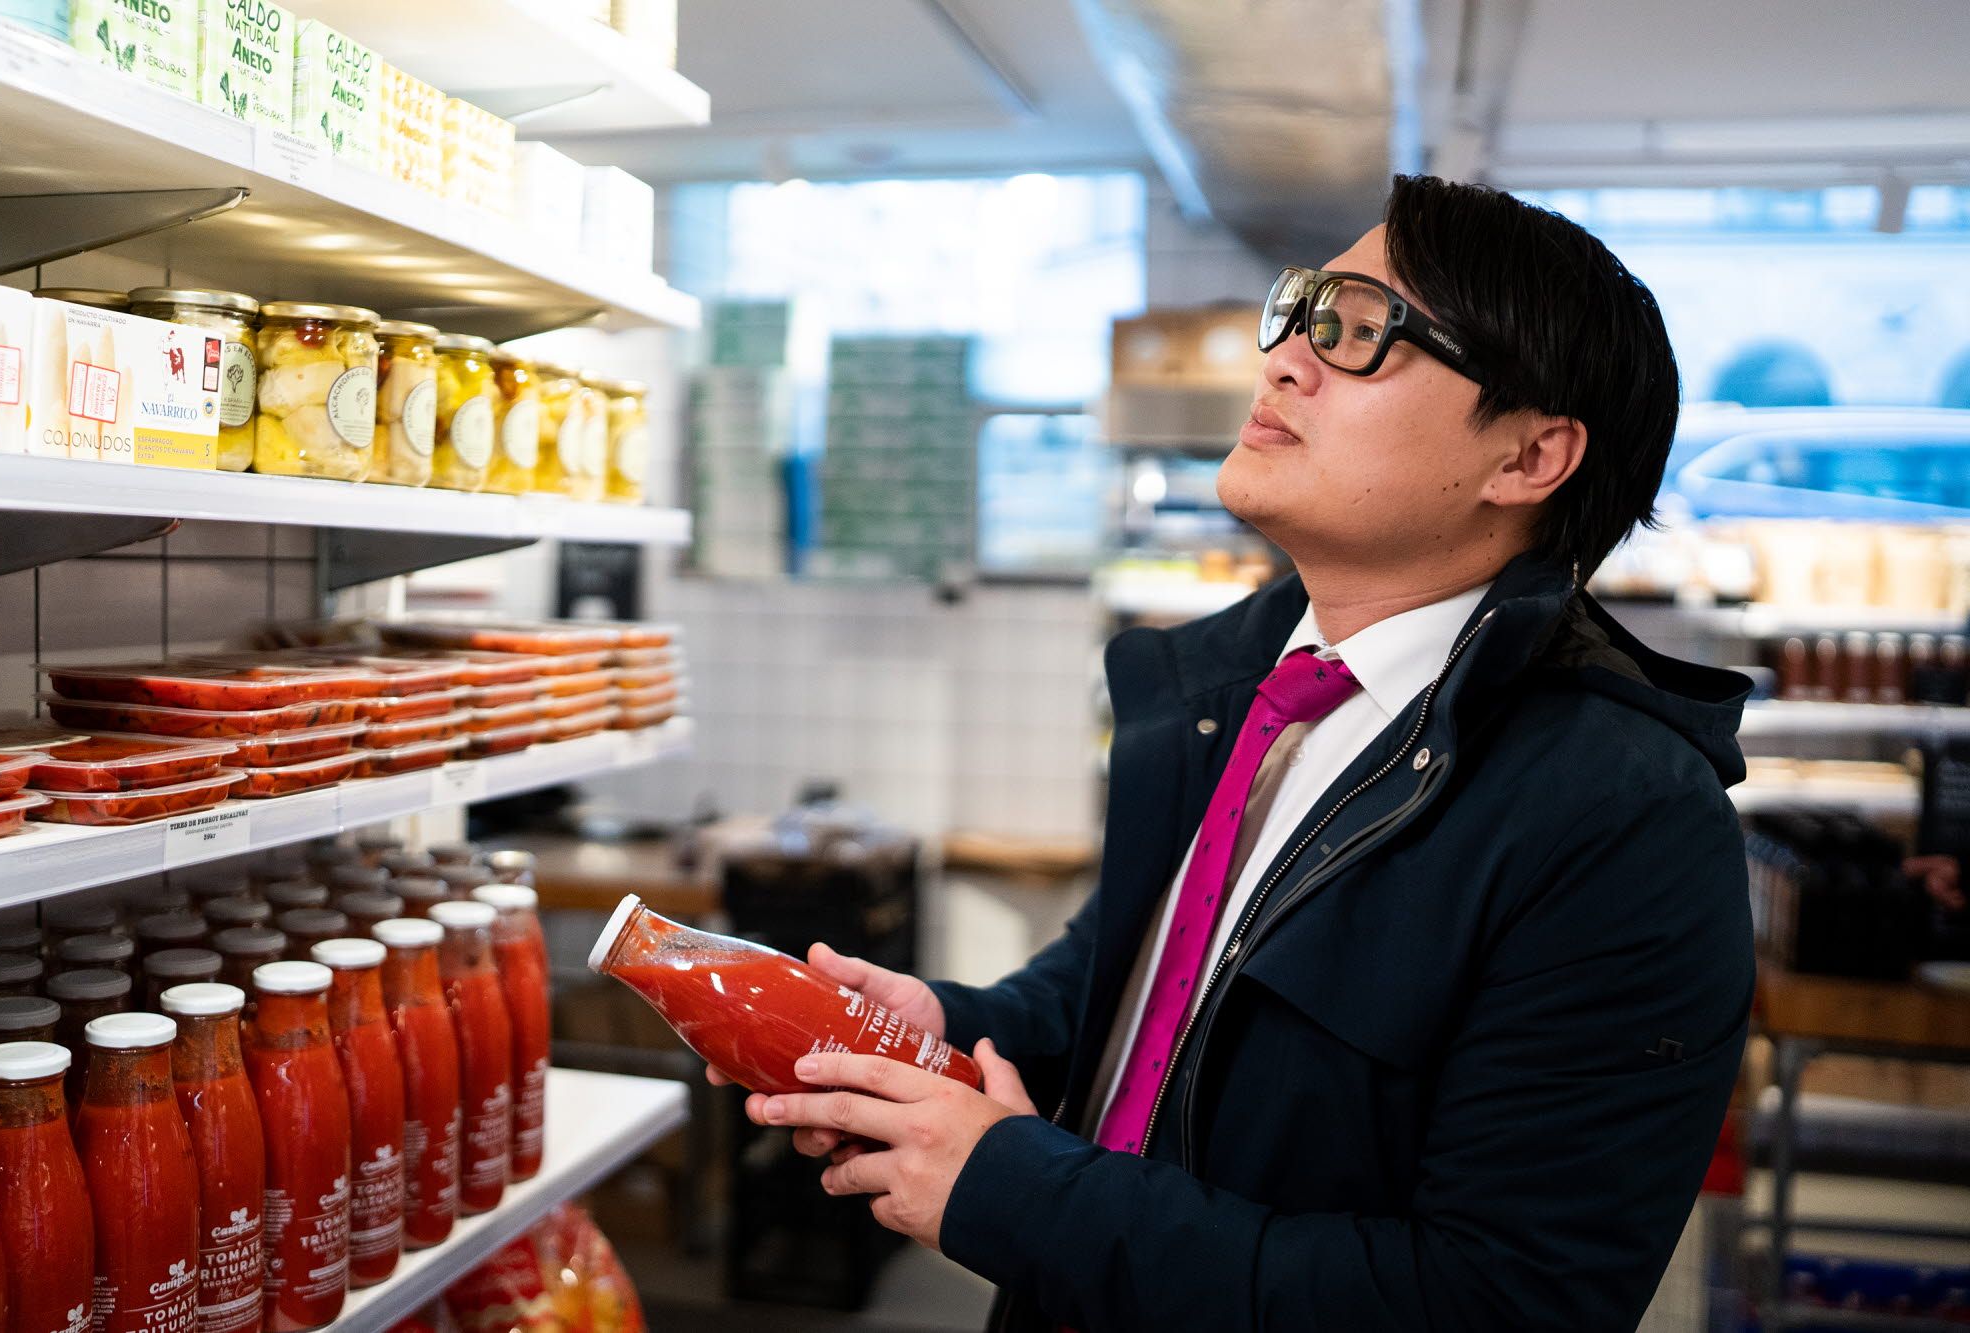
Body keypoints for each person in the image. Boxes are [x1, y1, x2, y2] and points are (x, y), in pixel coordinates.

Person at [715, 175, 1757, 1331]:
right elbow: (1130, 990)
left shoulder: (1621, 821)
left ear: (1526, 458)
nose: (1282, 361)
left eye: (1361, 331)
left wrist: (1018, 1192)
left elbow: (1497, 1299)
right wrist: (938, 1029)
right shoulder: (1234, 689)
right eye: (1301, 312)